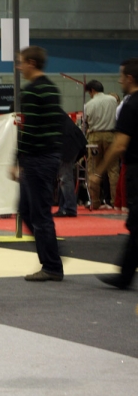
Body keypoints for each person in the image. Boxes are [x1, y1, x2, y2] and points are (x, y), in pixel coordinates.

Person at [11, 46, 65, 282]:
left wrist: (18, 160)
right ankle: (50, 251)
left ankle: (52, 265)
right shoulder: (52, 88)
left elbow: (29, 130)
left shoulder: (31, 92)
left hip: (37, 159)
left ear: (32, 63)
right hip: (50, 156)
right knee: (26, 209)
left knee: (39, 214)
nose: (19, 67)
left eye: (21, 63)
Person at [92, 58, 138, 289]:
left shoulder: (131, 106)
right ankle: (125, 274)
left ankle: (124, 276)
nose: (119, 80)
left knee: (137, 224)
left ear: (129, 78)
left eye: (121, 76)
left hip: (136, 169)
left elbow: (120, 145)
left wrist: (98, 171)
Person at [84, 80, 119, 210]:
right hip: (111, 135)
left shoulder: (89, 104)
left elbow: (86, 122)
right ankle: (116, 201)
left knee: (94, 169)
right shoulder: (113, 101)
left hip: (95, 137)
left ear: (92, 90)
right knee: (113, 169)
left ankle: (95, 202)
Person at [53, 111, 87, 217]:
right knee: (62, 177)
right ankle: (64, 207)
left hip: (68, 143)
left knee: (64, 177)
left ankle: (70, 208)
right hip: (69, 141)